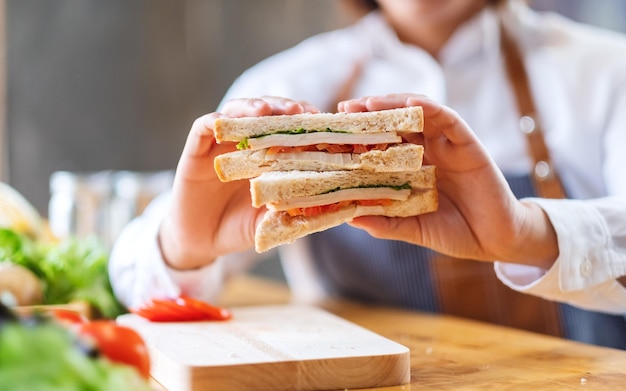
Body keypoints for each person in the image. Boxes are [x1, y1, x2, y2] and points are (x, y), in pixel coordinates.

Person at [109, 0, 626, 349]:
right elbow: (136, 282)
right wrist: (182, 244)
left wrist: (525, 234)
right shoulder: (288, 82)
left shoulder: (603, 70)